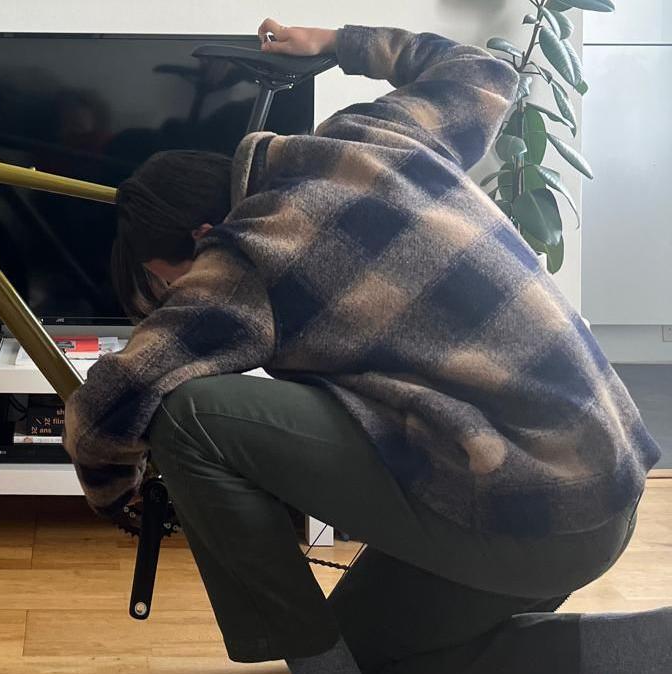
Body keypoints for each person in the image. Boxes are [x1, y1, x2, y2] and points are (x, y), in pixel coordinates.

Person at [62, 18, 668, 674]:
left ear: (203, 234)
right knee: (369, 656)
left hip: (532, 510)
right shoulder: (371, 134)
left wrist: (119, 500)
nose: (181, 293)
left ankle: (312, 668)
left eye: (167, 280)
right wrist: (333, 42)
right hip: (604, 485)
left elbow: (107, 410)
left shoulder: (246, 253)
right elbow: (483, 71)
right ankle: (641, 649)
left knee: (191, 420)